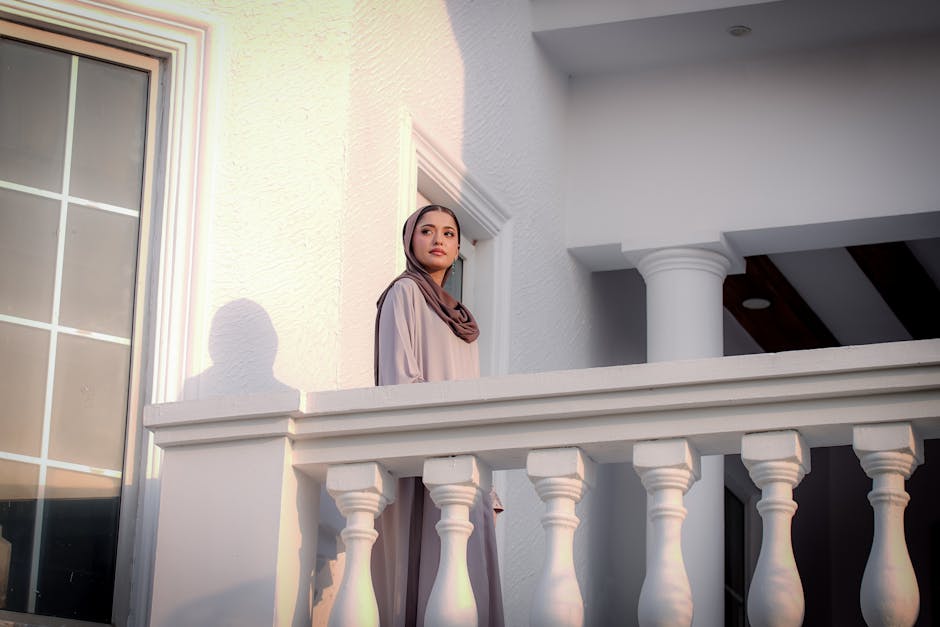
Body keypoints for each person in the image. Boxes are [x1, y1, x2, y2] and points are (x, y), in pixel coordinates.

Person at [372, 205, 504, 627]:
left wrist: (489, 482)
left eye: (448, 233)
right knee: (427, 571)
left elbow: (472, 400)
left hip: (461, 458)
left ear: (458, 245)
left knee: (466, 576)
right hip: (425, 455)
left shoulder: (462, 319)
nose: (438, 240)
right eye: (427, 231)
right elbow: (398, 382)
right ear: (410, 240)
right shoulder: (404, 293)